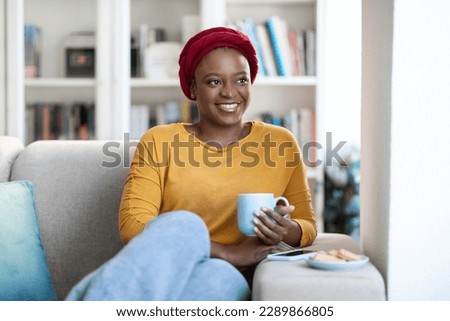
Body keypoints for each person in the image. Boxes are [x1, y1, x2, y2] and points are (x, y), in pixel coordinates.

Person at [66, 27, 316, 301]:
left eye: (241, 80)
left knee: (218, 277)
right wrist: (227, 251)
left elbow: (307, 225)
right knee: (185, 225)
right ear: (193, 88)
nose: (230, 93)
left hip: (233, 278)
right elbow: (133, 226)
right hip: (164, 268)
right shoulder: (160, 140)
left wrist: (286, 230)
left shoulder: (281, 142)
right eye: (214, 82)